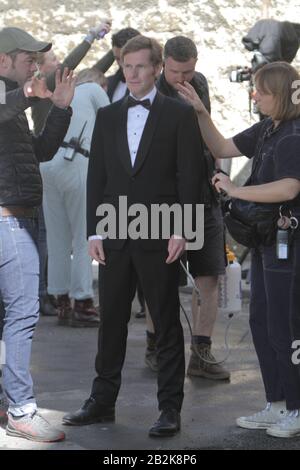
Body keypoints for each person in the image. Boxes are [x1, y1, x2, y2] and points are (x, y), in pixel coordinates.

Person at [62, 35, 205, 437]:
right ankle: (102, 401)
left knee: (165, 321)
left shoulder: (179, 115)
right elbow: (98, 177)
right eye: (128, 66)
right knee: (111, 320)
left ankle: (169, 408)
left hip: (161, 231)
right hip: (113, 232)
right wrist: (93, 230)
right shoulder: (107, 117)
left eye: (141, 66)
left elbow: (189, 176)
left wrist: (183, 229)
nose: (134, 73)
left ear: (157, 68)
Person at [178, 61, 300, 438]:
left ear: (279, 95)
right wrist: (200, 111)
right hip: (267, 243)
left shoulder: (293, 134)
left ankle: (296, 409)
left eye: (261, 90)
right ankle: (276, 403)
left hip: (289, 244)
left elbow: (289, 188)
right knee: (261, 322)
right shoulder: (268, 128)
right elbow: (220, 145)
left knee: (286, 325)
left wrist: (235, 190)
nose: (255, 95)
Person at [0, 26, 75, 442]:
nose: (35, 64)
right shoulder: (8, 99)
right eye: (28, 58)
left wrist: (61, 108)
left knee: (9, 317)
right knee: (22, 315)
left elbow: (41, 151)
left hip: (16, 219)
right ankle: (23, 410)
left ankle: (9, 404)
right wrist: (29, 94)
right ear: (3, 60)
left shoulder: (14, 105)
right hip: (9, 223)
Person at [145, 36, 228, 381]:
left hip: (204, 191)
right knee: (159, 279)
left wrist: (219, 168)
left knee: (209, 274)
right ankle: (155, 348)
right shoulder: (150, 92)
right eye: (176, 72)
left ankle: (201, 351)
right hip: (165, 198)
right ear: (164, 64)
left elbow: (206, 132)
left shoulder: (199, 83)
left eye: (189, 71)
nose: (182, 79)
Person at [40, 69, 110, 326]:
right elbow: (114, 122)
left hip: (48, 164)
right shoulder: (93, 89)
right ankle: (82, 303)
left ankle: (61, 302)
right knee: (85, 236)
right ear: (98, 82)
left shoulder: (63, 96)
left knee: (57, 238)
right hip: (77, 162)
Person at [107, 27, 140, 102]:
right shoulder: (108, 83)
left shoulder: (156, 85)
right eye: (117, 58)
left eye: (125, 59)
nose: (122, 64)